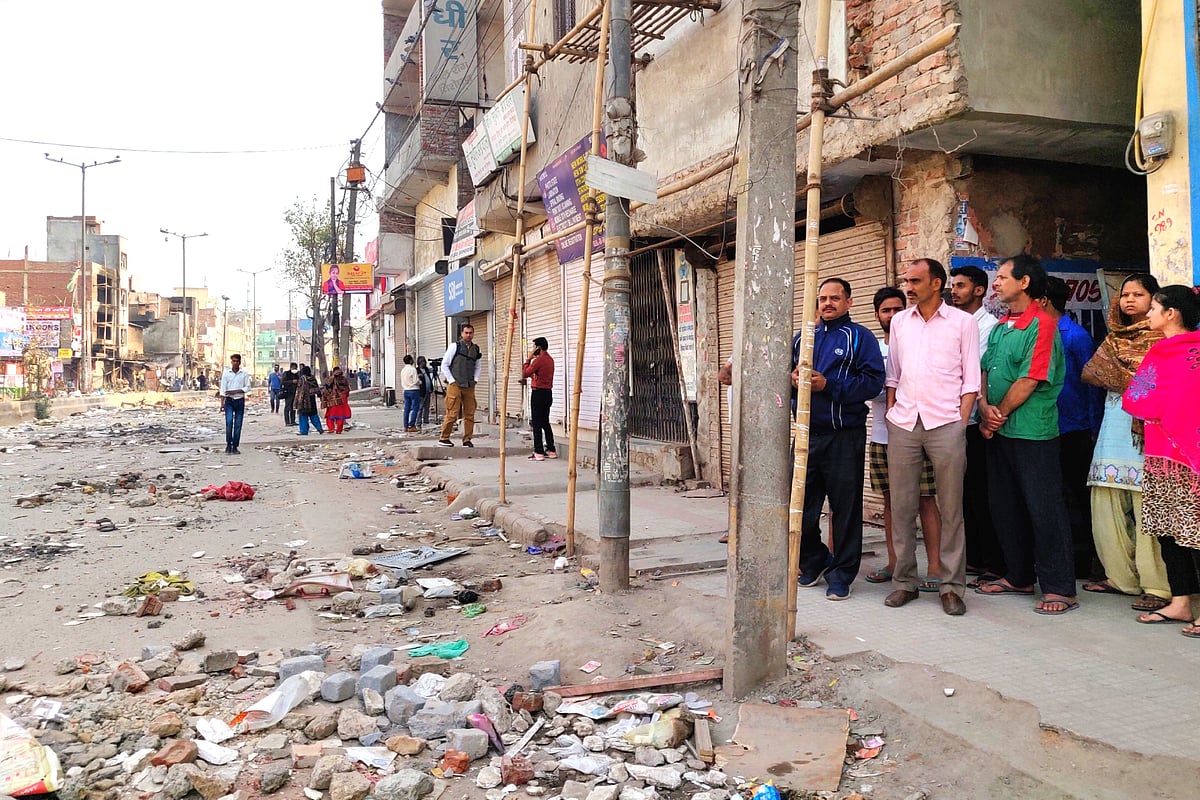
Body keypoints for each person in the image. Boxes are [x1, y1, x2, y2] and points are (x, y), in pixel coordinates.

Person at [975, 255, 1076, 615]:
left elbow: (1031, 379)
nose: (996, 283)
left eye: (1002, 277)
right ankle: (1017, 576)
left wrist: (995, 415)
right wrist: (984, 409)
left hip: (1033, 432)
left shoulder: (1044, 324)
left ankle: (1060, 587)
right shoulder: (1003, 326)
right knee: (1005, 506)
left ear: (1025, 283)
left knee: (1043, 508)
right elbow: (985, 370)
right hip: (1000, 431)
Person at [884, 258, 979, 616]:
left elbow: (971, 379)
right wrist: (894, 411)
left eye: (916, 281)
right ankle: (904, 582)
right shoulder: (899, 322)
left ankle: (952, 587)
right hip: (905, 422)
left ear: (936, 283)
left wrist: (960, 420)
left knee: (951, 508)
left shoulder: (963, 323)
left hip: (946, 423)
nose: (909, 287)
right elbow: (893, 374)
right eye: (907, 280)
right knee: (903, 507)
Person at [1081, 274, 1170, 611]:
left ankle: (1156, 584)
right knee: (1107, 497)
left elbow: (1159, 381)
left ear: (1155, 299)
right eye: (1125, 295)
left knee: (1147, 503)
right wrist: (1133, 379)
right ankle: (1120, 577)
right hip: (1116, 423)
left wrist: (1128, 379)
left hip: (1151, 426)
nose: (1129, 301)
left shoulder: (1166, 338)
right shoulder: (1114, 338)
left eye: (1139, 294)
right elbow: (1091, 372)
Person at [792, 278, 885, 601]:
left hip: (845, 436)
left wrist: (828, 385)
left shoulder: (860, 337)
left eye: (835, 298)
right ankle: (815, 560)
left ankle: (842, 575)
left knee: (844, 510)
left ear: (848, 302)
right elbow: (787, 378)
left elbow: (873, 383)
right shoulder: (802, 337)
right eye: (822, 298)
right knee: (798, 509)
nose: (827, 303)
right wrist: (793, 382)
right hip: (806, 436)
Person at [1123, 285, 1200, 631]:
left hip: (1188, 458)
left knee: (1195, 533)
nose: (1149, 313)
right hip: (1162, 454)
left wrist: (1165, 408)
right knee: (1170, 531)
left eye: (1154, 307)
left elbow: (1143, 398)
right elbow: (1134, 399)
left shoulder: (1187, 352)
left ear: (1172, 313)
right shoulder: (1161, 352)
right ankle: (1181, 602)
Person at [865, 287, 944, 589]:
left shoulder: (919, 344)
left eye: (898, 309)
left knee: (925, 501)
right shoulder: (874, 349)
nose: (893, 315)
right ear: (877, 316)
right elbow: (869, 390)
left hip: (918, 434)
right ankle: (895, 562)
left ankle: (935, 567)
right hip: (883, 437)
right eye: (886, 310)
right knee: (890, 503)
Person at [1042, 276, 1106, 581]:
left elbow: (1093, 387)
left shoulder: (1074, 336)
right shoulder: (1038, 333)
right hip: (1048, 427)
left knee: (1079, 499)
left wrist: (1094, 428)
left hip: (1075, 428)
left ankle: (1088, 562)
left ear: (1043, 300)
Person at [948, 264, 1004, 583]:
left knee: (982, 494)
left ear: (979, 290)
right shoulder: (952, 324)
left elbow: (973, 372)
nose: (954, 291)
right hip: (953, 421)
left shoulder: (989, 327)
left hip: (975, 420)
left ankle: (991, 561)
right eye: (953, 286)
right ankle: (975, 556)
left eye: (961, 286)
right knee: (964, 494)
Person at [438, 324, 482, 447]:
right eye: (466, 333)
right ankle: (444, 438)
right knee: (452, 412)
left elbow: (477, 366)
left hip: (469, 385)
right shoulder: (455, 347)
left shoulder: (476, 349)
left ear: (473, 334)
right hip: (455, 384)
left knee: (470, 413)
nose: (468, 335)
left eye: (470, 333)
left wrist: (476, 379)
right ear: (462, 334)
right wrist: (451, 380)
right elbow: (445, 365)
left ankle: (467, 439)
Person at [522, 336, 558, 460]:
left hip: (538, 394)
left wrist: (528, 359)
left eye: (534, 347)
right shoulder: (550, 360)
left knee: (537, 423)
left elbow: (525, 373)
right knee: (545, 422)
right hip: (548, 393)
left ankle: (539, 452)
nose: (532, 349)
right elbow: (539, 374)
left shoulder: (538, 360)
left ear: (538, 347)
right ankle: (551, 449)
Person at [218, 353, 251, 455]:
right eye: (234, 361)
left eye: (237, 361)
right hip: (229, 401)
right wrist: (222, 403)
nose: (235, 363)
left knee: (238, 424)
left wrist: (236, 391)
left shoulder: (244, 373)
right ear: (231, 362)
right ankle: (228, 444)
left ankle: (235, 446)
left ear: (240, 362)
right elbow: (223, 389)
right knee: (229, 422)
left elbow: (247, 387)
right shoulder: (226, 373)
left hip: (239, 401)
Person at [294, 365, 325, 435]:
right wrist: (320, 396)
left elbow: (300, 390)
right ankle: (319, 428)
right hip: (312, 400)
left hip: (304, 401)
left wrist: (297, 401)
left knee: (303, 416)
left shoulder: (302, 379)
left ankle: (304, 431)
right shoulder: (313, 378)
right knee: (313, 415)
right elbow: (317, 389)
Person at [323, 367, 353, 433]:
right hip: (342, 400)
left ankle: (331, 428)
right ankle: (339, 430)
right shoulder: (344, 379)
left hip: (332, 401)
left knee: (330, 415)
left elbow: (326, 391)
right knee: (340, 416)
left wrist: (325, 399)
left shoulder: (330, 379)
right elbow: (347, 390)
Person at [400, 354, 421, 432]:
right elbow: (416, 381)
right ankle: (411, 425)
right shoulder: (413, 369)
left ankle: (405, 426)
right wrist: (420, 381)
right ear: (410, 361)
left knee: (407, 409)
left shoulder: (403, 370)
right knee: (415, 408)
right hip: (414, 390)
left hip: (406, 390)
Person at [417, 356, 436, 425]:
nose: (423, 363)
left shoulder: (426, 369)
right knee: (420, 407)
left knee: (427, 407)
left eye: (424, 362)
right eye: (422, 362)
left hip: (428, 390)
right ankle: (419, 421)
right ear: (419, 363)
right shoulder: (417, 370)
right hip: (421, 391)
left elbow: (431, 371)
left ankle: (426, 420)